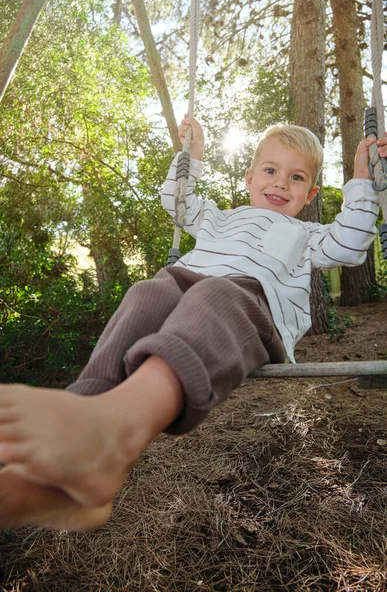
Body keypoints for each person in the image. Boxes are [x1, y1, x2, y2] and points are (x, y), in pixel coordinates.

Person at [0, 117, 385, 532]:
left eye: (296, 178)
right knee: (149, 291)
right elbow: (179, 203)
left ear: (310, 194)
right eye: (270, 171)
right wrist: (192, 156)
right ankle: (81, 423)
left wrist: (363, 181)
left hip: (251, 308)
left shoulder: (308, 233)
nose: (280, 184)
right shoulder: (219, 219)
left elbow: (350, 242)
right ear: (249, 176)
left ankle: (115, 431)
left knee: (212, 293)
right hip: (190, 287)